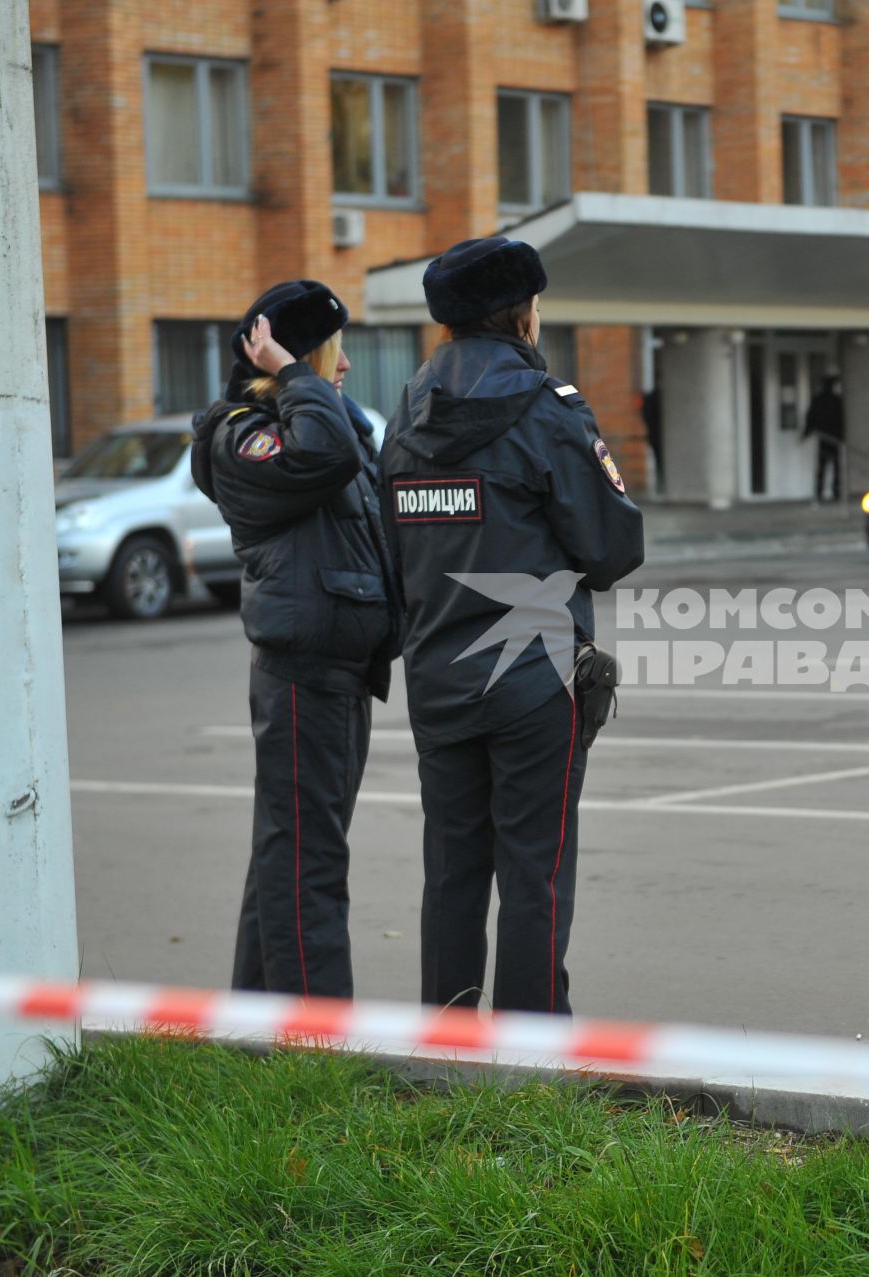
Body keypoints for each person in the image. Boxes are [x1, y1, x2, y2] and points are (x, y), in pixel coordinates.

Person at [380, 237, 644, 1014]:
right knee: (535, 874)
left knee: (452, 874)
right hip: (534, 682)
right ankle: (531, 1058)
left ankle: (450, 1049)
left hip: (436, 677)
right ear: (525, 316)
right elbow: (612, 549)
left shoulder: (404, 417)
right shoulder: (547, 411)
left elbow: (393, 551)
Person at [190, 280, 400, 1000]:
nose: (340, 371)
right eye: (329, 355)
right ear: (287, 358)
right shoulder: (243, 433)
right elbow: (321, 458)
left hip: (341, 670)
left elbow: (352, 461)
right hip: (302, 673)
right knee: (306, 862)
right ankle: (318, 1040)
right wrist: (297, 375)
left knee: (288, 853)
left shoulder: (315, 417)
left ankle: (253, 1023)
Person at [801, 375, 845, 502]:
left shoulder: (820, 400)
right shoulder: (835, 400)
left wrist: (806, 433)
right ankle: (834, 492)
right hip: (833, 437)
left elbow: (811, 418)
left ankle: (821, 493)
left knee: (824, 466)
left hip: (826, 437)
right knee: (833, 466)